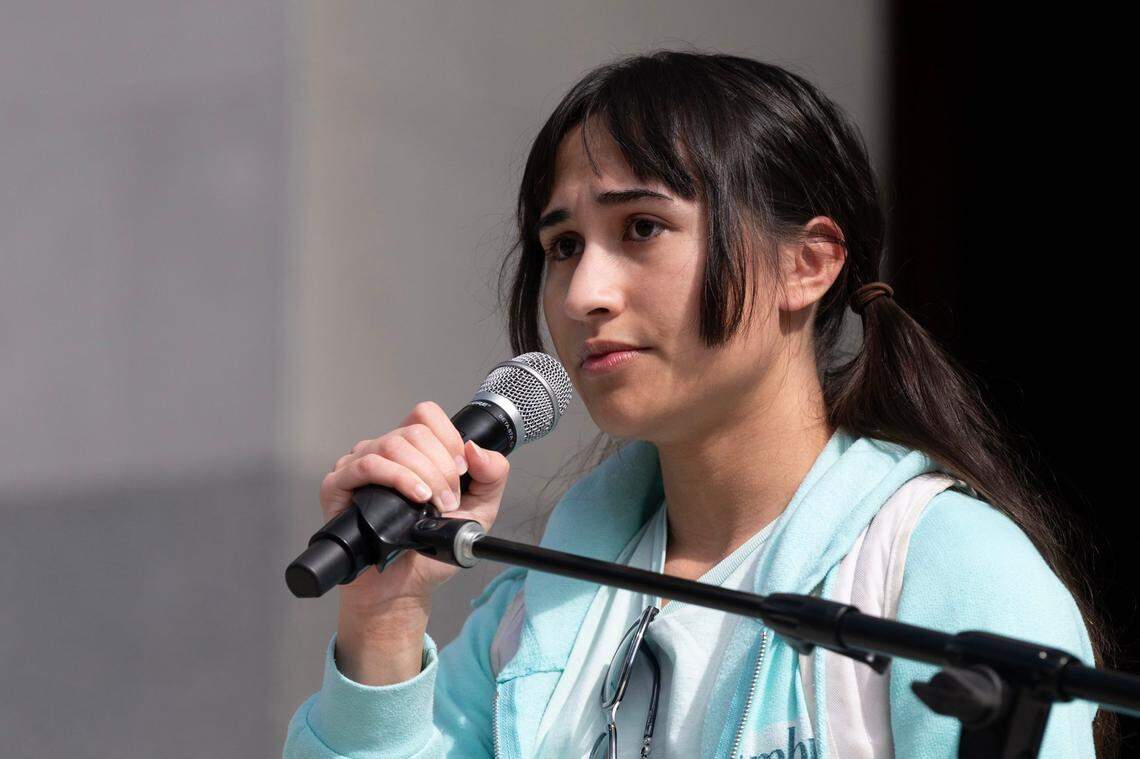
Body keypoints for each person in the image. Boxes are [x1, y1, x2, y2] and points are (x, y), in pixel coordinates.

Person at [283, 51, 1109, 757]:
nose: (582, 294)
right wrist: (387, 621)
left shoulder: (943, 569)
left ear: (808, 264)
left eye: (642, 227)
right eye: (563, 246)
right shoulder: (539, 606)